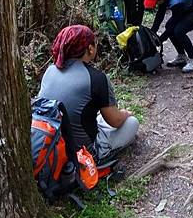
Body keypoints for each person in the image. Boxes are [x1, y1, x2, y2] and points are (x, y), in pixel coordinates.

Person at [38, 25, 139, 165]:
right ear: (90, 49)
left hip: (49, 146)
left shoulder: (50, 71)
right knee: (132, 123)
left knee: (96, 117)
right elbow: (114, 121)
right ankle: (101, 156)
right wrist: (125, 113)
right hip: (81, 154)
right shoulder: (97, 78)